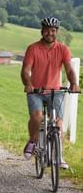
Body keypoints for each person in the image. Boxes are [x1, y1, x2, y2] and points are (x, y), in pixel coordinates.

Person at [21, 16, 80, 169]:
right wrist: (28, 84)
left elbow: (69, 69)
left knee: (58, 122)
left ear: (56, 32)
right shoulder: (32, 48)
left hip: (56, 91)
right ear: (42, 31)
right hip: (36, 90)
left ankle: (58, 157)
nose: (50, 33)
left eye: (53, 30)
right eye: (47, 30)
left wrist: (73, 83)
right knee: (37, 116)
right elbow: (25, 71)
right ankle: (33, 140)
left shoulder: (63, 49)